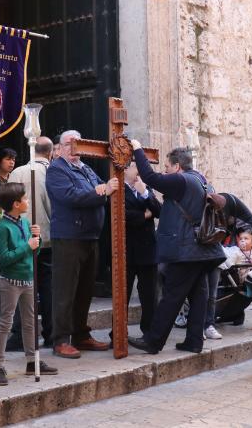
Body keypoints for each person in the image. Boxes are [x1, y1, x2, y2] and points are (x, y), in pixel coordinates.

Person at [127, 144, 226, 355]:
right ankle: (193, 341)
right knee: (199, 296)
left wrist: (137, 150)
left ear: (177, 166)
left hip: (187, 250)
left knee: (172, 295)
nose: (165, 171)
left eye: (167, 167)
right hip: (201, 249)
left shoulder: (181, 180)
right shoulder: (199, 179)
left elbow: (152, 178)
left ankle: (153, 341)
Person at [46, 130, 117, 358]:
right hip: (69, 237)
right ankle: (60, 339)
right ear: (59, 148)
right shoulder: (57, 169)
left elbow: (103, 188)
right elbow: (71, 196)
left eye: (78, 142)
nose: (73, 147)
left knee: (85, 290)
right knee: (65, 291)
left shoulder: (85, 168)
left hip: (90, 237)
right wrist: (101, 191)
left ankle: (81, 334)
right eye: (68, 143)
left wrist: (102, 189)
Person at [0, 183, 58, 385]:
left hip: (28, 279)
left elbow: (33, 254)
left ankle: (32, 361)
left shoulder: (25, 222)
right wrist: (27, 246)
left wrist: (35, 239)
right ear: (16, 204)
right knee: (6, 322)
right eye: (26, 199)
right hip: (10, 280)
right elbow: (5, 258)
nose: (28, 201)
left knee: (30, 322)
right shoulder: (2, 227)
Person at [6, 136, 54, 349]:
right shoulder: (53, 172)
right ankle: (52, 334)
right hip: (47, 238)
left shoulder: (17, 173)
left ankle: (21, 337)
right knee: (48, 288)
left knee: (22, 287)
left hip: (21, 237)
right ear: (50, 153)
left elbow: (7, 205)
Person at [204, 192, 252, 337]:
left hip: (247, 232)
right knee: (234, 277)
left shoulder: (222, 206)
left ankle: (232, 312)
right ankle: (235, 314)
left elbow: (221, 231)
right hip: (245, 231)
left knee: (233, 272)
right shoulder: (222, 202)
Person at [124, 161, 162, 335]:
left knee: (149, 293)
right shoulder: (118, 188)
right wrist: (145, 214)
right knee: (122, 293)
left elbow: (159, 211)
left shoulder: (144, 188)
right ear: (125, 169)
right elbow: (122, 215)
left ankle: (149, 330)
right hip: (126, 250)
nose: (139, 170)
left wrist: (145, 193)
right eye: (135, 166)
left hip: (147, 249)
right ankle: (118, 333)